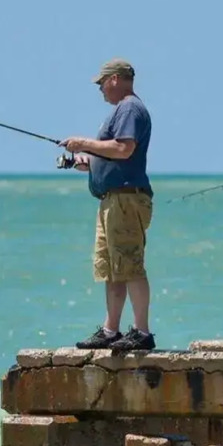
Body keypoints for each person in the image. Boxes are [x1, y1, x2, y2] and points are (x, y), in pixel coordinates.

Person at [62, 59, 155, 352]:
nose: (100, 90)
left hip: (126, 199)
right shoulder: (121, 110)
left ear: (115, 79)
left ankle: (142, 332)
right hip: (112, 200)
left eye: (102, 83)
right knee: (112, 269)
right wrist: (88, 162)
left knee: (130, 264)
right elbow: (113, 152)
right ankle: (110, 330)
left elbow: (123, 148)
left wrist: (84, 144)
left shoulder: (129, 108)